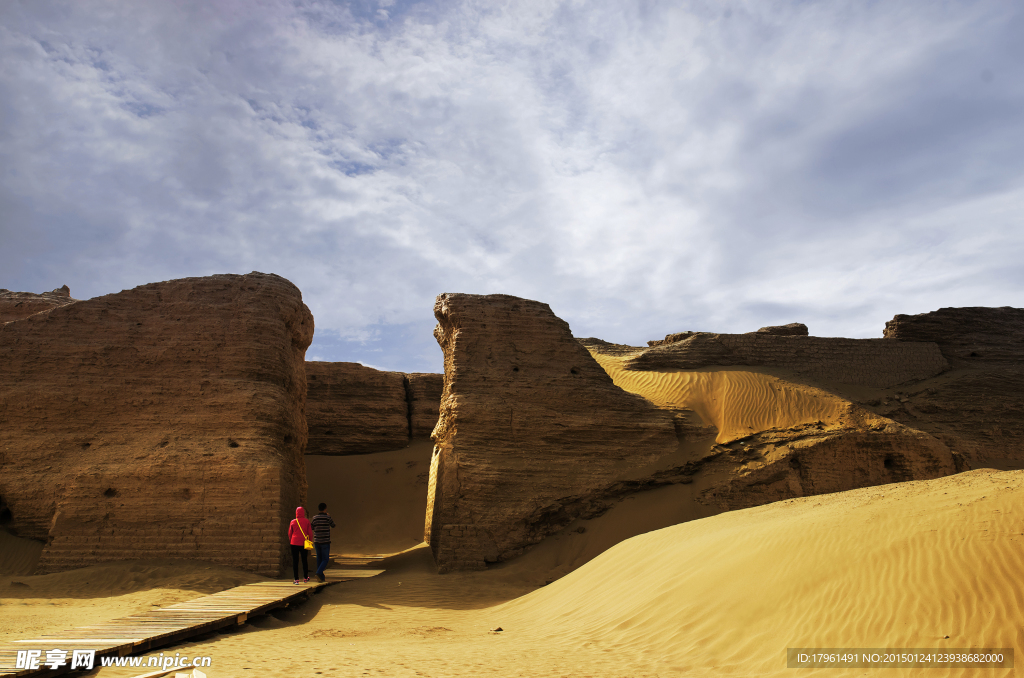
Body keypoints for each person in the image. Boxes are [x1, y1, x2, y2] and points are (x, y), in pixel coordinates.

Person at [310, 502, 336, 582]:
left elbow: (312, 527)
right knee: (325, 559)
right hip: (325, 541)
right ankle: (318, 573)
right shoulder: (327, 518)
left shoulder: (314, 518)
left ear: (318, 509)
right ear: (325, 509)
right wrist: (329, 516)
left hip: (317, 541)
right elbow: (333, 525)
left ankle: (321, 577)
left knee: (319, 558)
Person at [288, 506, 313, 584]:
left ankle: (296, 579)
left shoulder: (293, 522)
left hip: (294, 543)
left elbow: (289, 533)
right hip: (303, 543)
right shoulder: (307, 522)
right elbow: (310, 533)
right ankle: (305, 578)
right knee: (304, 560)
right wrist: (309, 541)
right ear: (303, 513)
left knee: (295, 561)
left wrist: (291, 540)